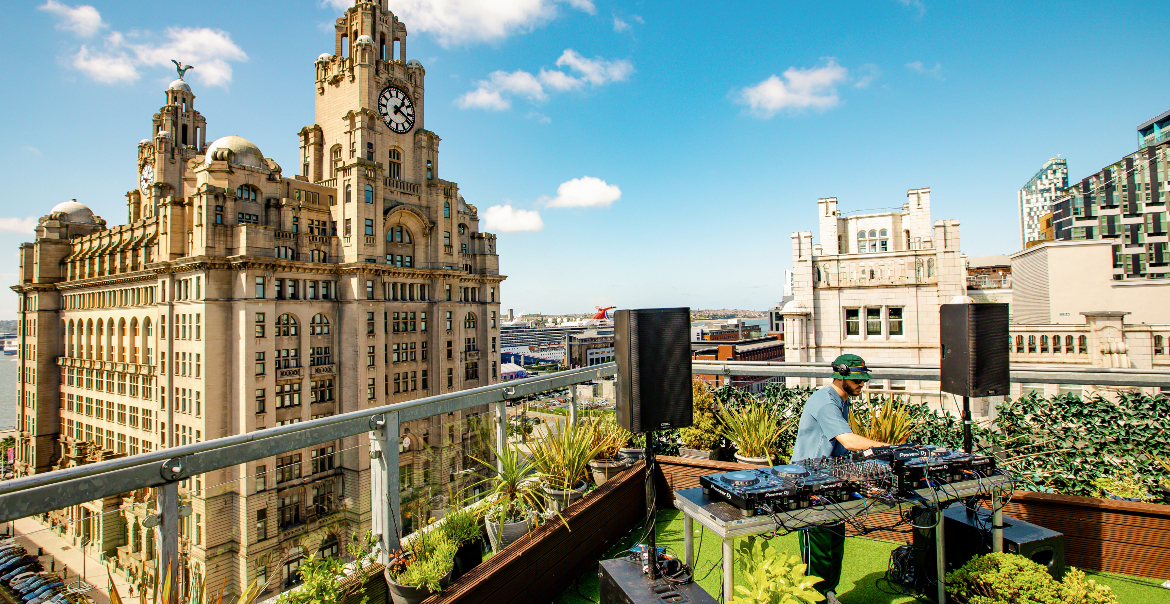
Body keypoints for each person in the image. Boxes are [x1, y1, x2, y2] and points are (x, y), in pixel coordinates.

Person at [792, 354, 889, 604]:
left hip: (829, 477)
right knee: (819, 547)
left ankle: (829, 592)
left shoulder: (841, 399)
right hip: (810, 481)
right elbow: (847, 439)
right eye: (858, 380)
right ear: (841, 376)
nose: (862, 385)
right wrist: (888, 448)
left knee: (836, 541)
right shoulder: (826, 402)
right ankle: (815, 597)